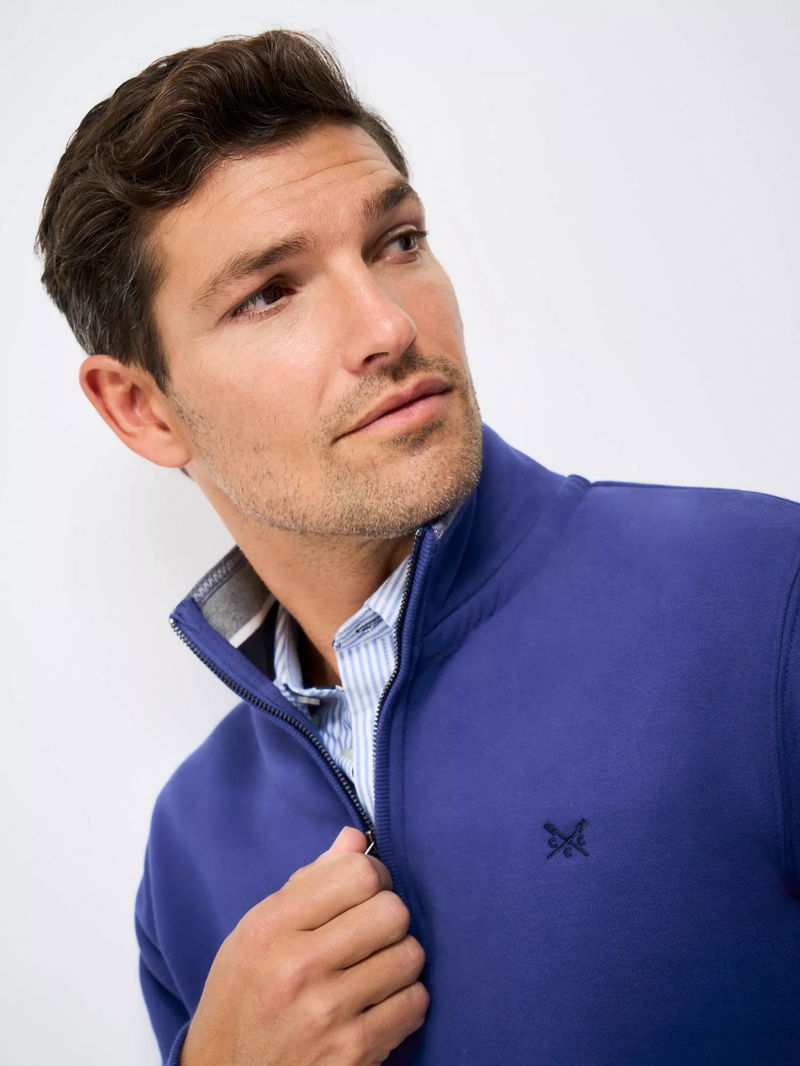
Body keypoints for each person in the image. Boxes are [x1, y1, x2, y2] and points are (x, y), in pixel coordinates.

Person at [37, 28, 800, 1066]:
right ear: (141, 408)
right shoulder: (188, 852)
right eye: (270, 292)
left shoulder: (759, 605)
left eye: (396, 242)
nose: (388, 326)